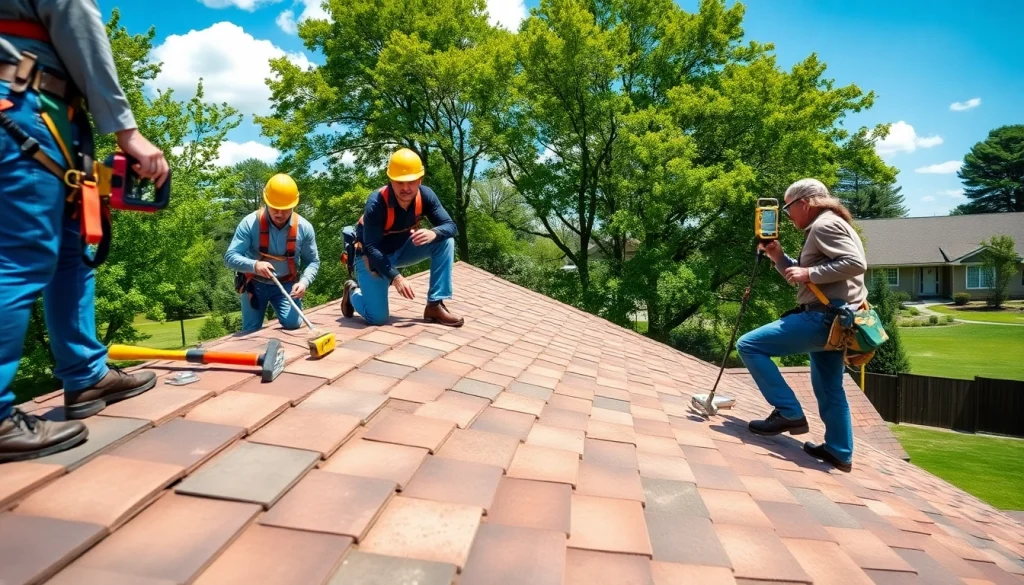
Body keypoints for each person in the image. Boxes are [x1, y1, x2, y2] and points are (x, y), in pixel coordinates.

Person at [0, 1, 170, 462]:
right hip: (22, 103)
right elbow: (73, 12)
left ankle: (86, 374)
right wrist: (126, 131)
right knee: (18, 257)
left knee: (72, 249)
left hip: (41, 111)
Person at [736, 178, 867, 472]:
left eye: (788, 207)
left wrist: (808, 272)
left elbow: (855, 264)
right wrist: (778, 256)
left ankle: (788, 412)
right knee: (830, 388)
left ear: (804, 203)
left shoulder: (825, 225)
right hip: (838, 321)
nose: (787, 214)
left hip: (822, 318)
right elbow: (807, 276)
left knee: (749, 345)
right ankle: (839, 451)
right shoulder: (833, 224)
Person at [340, 148, 464, 327]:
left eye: (411, 182)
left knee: (445, 241)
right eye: (400, 182)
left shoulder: (426, 195)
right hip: (371, 258)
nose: (406, 188)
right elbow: (371, 248)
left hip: (401, 250)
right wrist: (396, 278)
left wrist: (434, 233)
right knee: (378, 319)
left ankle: (434, 305)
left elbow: (451, 226)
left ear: (420, 180)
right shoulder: (376, 203)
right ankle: (352, 292)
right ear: (390, 180)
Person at [225, 173, 320, 333]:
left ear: (294, 206)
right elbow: (230, 257)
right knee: (250, 331)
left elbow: (313, 261)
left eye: (285, 209)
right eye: (275, 208)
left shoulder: (304, 228)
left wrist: (304, 282)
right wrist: (254, 265)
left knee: (293, 324)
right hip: (254, 284)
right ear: (265, 202)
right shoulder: (249, 223)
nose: (280, 214)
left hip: (286, 284)